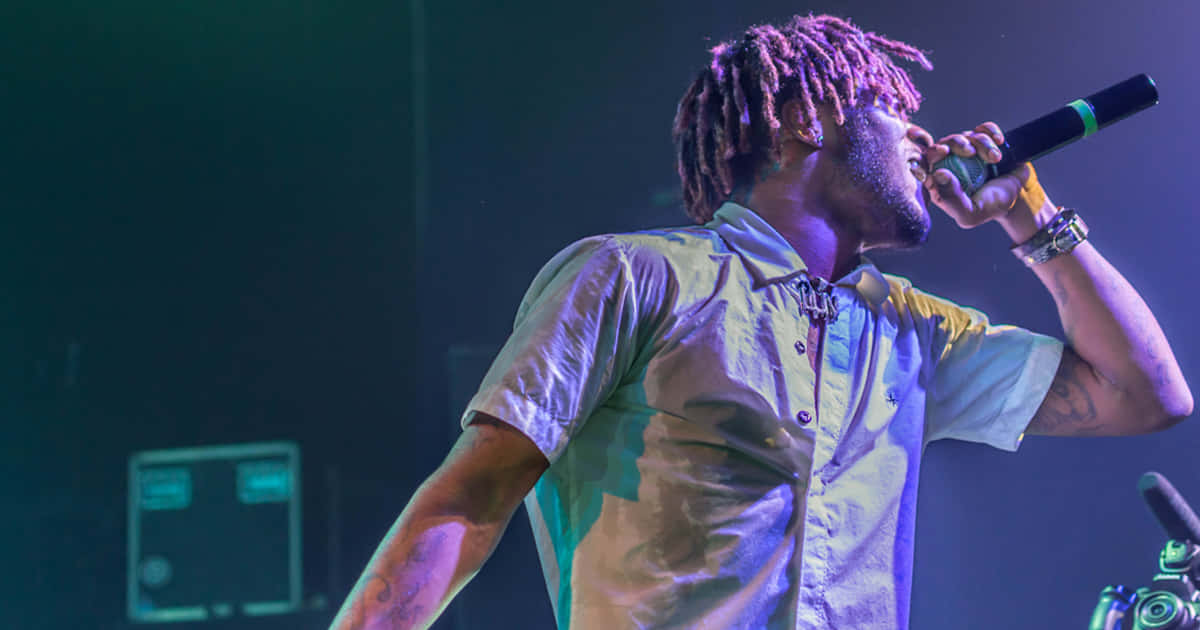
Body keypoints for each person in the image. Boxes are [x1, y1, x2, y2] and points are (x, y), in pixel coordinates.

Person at [330, 14, 1192, 630]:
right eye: (896, 115)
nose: (924, 142)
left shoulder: (911, 330)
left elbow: (1144, 396)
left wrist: (1032, 215)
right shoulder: (636, 275)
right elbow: (471, 496)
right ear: (802, 121)